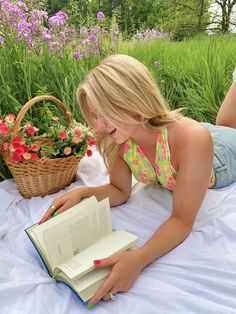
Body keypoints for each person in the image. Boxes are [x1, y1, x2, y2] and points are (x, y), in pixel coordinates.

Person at [40, 55, 236, 307]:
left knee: (229, 129)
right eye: (95, 116)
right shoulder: (118, 140)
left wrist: (138, 258)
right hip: (198, 141)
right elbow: (120, 190)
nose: (99, 125)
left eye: (105, 113)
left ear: (130, 97)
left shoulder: (192, 139)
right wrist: (84, 194)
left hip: (222, 156)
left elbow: (182, 220)